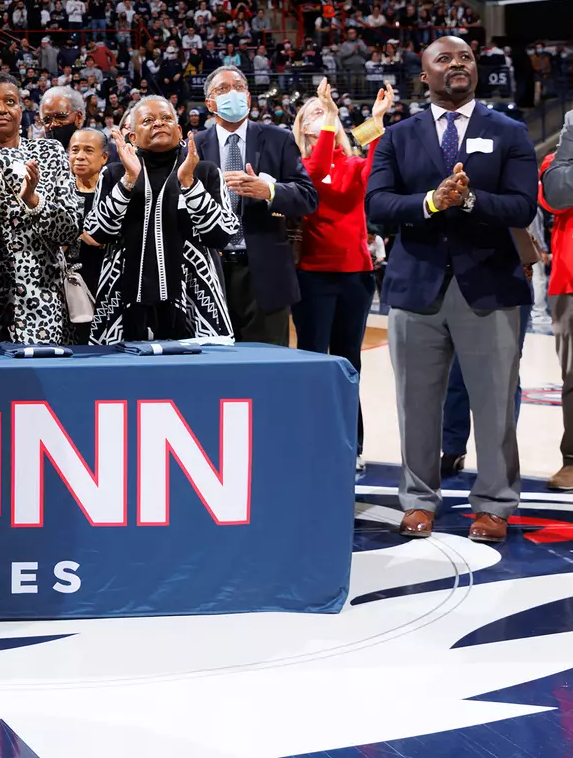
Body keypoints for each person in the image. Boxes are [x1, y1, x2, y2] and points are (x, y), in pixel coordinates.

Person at [365, 35, 538, 544]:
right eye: (445, 59)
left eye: (465, 57)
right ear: (425, 76)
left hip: (489, 284)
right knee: (416, 402)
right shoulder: (397, 137)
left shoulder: (508, 132)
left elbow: (521, 206)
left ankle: (494, 505)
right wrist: (432, 202)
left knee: (494, 403)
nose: (457, 64)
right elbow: (377, 207)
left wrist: (467, 200)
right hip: (415, 286)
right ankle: (419, 500)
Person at [291, 80, 393, 468]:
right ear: (303, 128)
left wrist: (376, 120)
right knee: (313, 360)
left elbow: (378, 164)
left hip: (356, 276)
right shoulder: (298, 166)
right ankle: (311, 437)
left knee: (350, 363)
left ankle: (353, 444)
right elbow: (315, 171)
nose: (323, 113)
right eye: (314, 112)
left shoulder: (351, 164)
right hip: (313, 275)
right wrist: (331, 118)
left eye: (326, 110)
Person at [88, 97, 238, 341]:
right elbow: (98, 231)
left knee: (197, 375)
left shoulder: (204, 171)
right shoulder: (114, 173)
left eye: (166, 118)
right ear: (133, 137)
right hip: (123, 298)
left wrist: (190, 185)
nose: (159, 124)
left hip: (195, 300)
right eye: (148, 120)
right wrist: (128, 181)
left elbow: (222, 234)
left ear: (179, 131)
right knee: (122, 375)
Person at [192, 66, 317, 345]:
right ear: (210, 103)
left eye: (238, 87)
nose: (232, 93)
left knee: (268, 371)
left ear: (249, 98)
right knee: (214, 371)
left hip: (265, 272)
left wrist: (269, 190)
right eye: (222, 89)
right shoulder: (193, 147)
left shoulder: (279, 139)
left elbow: (308, 197)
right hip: (211, 273)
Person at [0, 72, 79, 344]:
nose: (1, 108)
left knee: (45, 384)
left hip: (45, 302)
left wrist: (34, 201)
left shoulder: (50, 153)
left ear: (21, 109)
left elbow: (70, 229)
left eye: (10, 101)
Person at [543, 133, 573, 491]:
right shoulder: (556, 162)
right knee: (572, 377)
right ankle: (571, 459)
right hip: (569, 283)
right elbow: (556, 199)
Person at [66, 127, 110, 344]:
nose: (80, 156)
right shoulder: (59, 191)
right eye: (74, 150)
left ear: (104, 157)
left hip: (106, 282)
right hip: (67, 285)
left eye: (88, 150)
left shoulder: (115, 194)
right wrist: (78, 235)